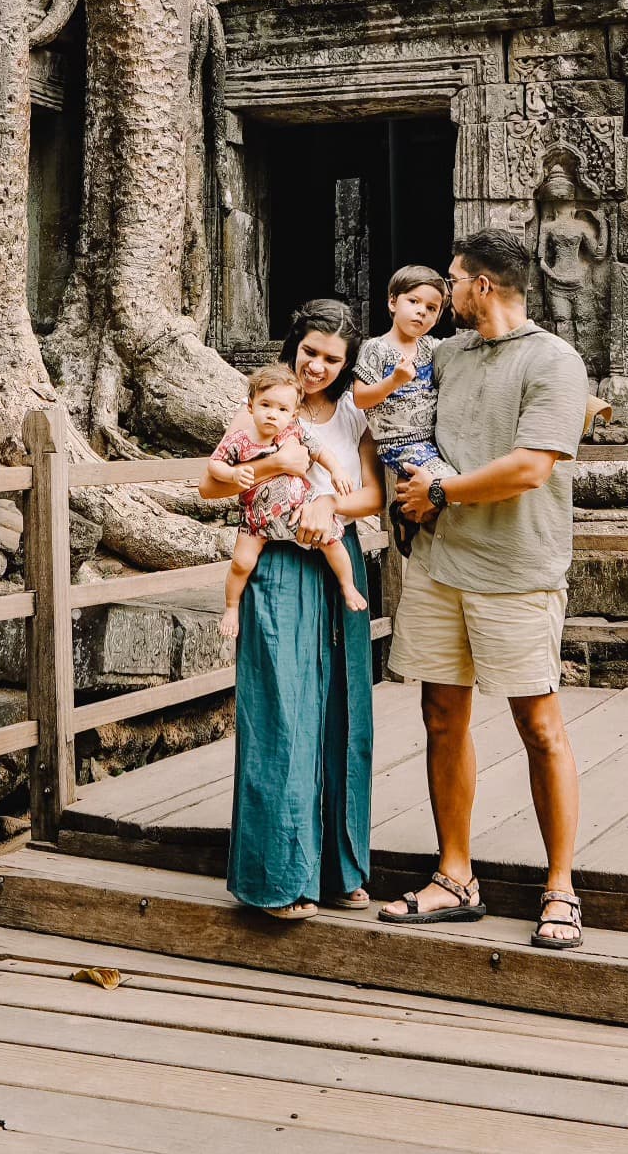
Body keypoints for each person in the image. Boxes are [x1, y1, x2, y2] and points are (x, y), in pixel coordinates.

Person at [379, 228, 592, 952]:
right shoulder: (448, 354)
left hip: (517, 569)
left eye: (453, 278)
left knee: (539, 725)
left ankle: (560, 884)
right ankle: (455, 873)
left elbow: (532, 467)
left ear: (483, 287)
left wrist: (439, 490)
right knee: (442, 712)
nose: (444, 290)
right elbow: (402, 424)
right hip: (442, 565)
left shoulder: (555, 361)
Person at [199, 298, 381, 922]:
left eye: (333, 358)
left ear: (348, 362)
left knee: (344, 710)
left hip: (335, 555)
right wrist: (275, 463)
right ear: (293, 347)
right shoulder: (265, 407)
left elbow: (373, 492)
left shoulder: (357, 411)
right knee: (281, 708)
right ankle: (279, 874)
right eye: (309, 352)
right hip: (276, 561)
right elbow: (210, 484)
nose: (318, 367)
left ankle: (340, 868)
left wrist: (331, 507)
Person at [214, 361, 372, 641]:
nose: (273, 415)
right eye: (266, 405)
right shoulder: (240, 440)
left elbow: (321, 451)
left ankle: (348, 585)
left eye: (283, 409)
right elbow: (214, 467)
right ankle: (231, 607)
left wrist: (336, 472)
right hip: (257, 519)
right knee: (241, 562)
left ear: (293, 413)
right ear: (250, 405)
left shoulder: (295, 431)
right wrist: (231, 473)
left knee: (332, 542)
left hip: (300, 511)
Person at [351, 265, 449, 550]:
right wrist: (394, 380)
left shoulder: (431, 347)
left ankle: (409, 514)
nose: (422, 311)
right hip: (398, 443)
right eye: (414, 301)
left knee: (442, 489)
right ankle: (404, 514)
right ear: (393, 302)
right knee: (447, 483)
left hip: (432, 439)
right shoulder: (376, 349)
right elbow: (361, 398)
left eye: (432, 308)